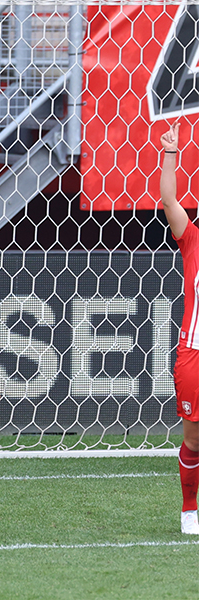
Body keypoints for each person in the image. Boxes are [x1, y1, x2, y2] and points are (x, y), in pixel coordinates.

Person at [159, 121, 199, 535]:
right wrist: (171, 152)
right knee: (195, 441)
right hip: (194, 358)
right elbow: (169, 198)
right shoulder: (192, 240)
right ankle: (190, 509)